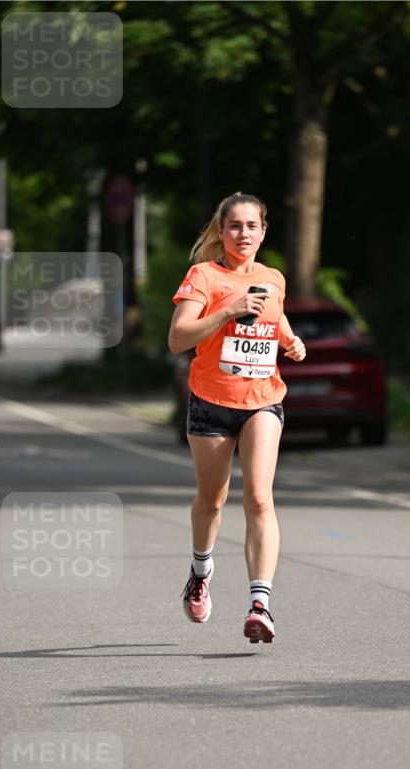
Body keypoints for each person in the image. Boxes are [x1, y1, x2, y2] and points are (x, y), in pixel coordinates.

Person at [168, 192, 306, 643]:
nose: (243, 234)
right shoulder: (204, 276)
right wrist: (227, 309)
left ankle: (260, 606)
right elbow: (177, 338)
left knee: (260, 499)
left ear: (263, 232)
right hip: (211, 400)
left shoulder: (273, 278)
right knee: (212, 501)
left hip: (263, 400)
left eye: (252, 226)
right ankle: (200, 570)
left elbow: (275, 316)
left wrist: (290, 340)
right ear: (221, 231)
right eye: (234, 226)